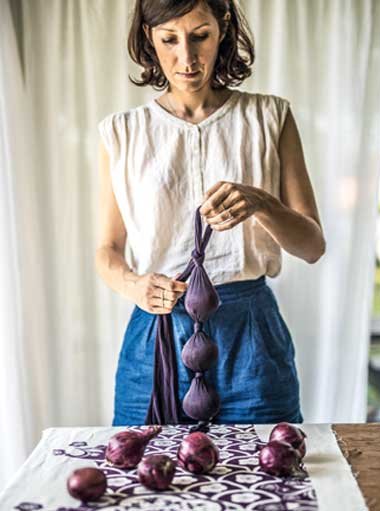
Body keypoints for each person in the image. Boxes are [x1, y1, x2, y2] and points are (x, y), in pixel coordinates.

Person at [94, 0, 325, 426]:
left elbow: (312, 246)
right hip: (158, 335)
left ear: (222, 30)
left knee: (269, 479)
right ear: (150, 38)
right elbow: (107, 250)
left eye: (200, 35)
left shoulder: (270, 117)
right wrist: (134, 285)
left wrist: (263, 203)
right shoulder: (122, 132)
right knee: (147, 480)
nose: (187, 56)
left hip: (251, 339)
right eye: (169, 39)